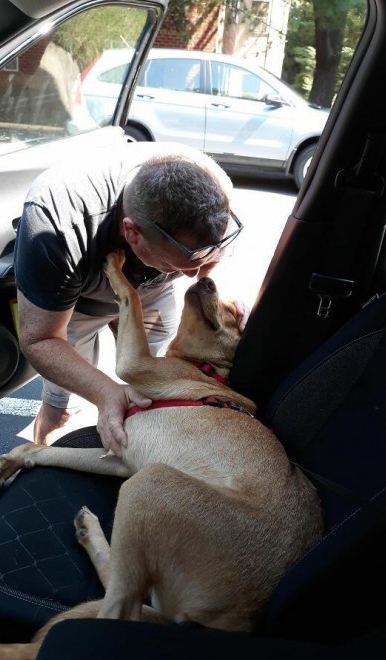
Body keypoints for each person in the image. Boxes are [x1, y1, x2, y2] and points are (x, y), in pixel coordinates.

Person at [14, 141, 244, 452]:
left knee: (146, 384)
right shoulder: (58, 221)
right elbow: (39, 339)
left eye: (201, 259)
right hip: (76, 308)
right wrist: (106, 392)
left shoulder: (213, 192)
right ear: (131, 233)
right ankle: (42, 438)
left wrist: (215, 296)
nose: (191, 276)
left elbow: (210, 262)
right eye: (176, 263)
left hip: (149, 296)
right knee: (63, 409)